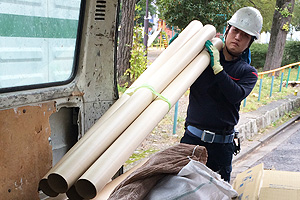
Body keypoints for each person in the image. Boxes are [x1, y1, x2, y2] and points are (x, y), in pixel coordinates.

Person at [180, 7, 263, 182]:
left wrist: (217, 68)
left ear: (250, 42)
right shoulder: (201, 59)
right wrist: (181, 47)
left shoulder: (248, 72)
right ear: (227, 30)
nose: (238, 37)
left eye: (245, 35)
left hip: (221, 147)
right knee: (181, 190)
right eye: (235, 31)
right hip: (192, 140)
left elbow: (236, 95)